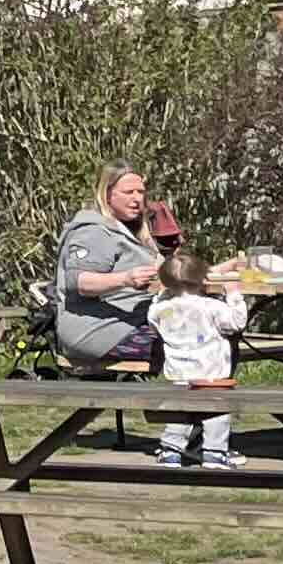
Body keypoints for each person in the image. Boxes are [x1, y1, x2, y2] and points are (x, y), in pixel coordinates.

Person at [52, 165, 165, 374]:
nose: (137, 198)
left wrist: (217, 271)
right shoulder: (94, 230)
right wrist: (126, 279)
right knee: (192, 341)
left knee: (205, 331)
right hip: (98, 331)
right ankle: (180, 405)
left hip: (133, 322)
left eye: (140, 192)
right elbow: (80, 282)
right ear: (107, 194)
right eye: (128, 192)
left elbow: (169, 273)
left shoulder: (130, 230)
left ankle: (188, 404)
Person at [147, 251, 247, 465]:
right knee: (216, 412)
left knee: (179, 413)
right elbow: (237, 323)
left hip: (179, 374)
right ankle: (214, 452)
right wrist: (234, 294)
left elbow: (154, 317)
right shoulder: (212, 307)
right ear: (203, 279)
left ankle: (170, 450)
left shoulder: (160, 311)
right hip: (213, 373)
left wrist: (163, 294)